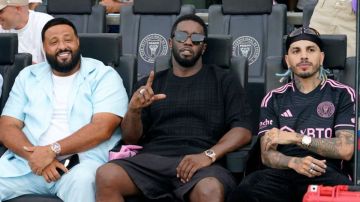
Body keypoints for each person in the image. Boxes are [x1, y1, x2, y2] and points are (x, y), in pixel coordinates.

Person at [96, 14, 252, 202]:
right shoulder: (148, 85)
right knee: (106, 175)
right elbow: (130, 138)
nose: (188, 42)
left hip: (202, 163)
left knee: (209, 189)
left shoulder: (224, 80)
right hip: (153, 161)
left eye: (196, 38)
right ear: (171, 43)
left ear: (204, 47)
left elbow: (242, 130)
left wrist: (207, 155)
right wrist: (134, 111)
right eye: (181, 36)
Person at [0, 18, 128, 202]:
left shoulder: (103, 75)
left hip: (80, 164)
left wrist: (52, 150)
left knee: (84, 182)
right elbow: (7, 126)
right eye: (53, 42)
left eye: (68, 40)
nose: (62, 46)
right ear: (44, 48)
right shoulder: (27, 76)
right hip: (27, 164)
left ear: (77, 42)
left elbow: (103, 127)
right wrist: (36, 157)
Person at [228, 27, 355, 202]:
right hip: (283, 173)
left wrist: (296, 138)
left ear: (322, 57)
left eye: (310, 50)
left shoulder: (342, 94)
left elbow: (345, 149)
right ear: (288, 60)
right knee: (243, 193)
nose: (304, 56)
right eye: (296, 51)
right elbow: (267, 155)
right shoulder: (273, 98)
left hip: (325, 171)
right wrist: (293, 162)